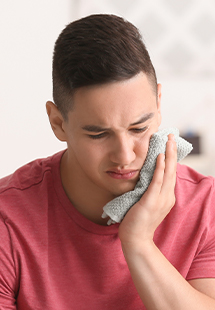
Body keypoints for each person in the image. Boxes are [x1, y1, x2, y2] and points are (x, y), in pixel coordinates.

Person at [0, 14, 215, 310]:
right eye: (98, 134)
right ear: (58, 123)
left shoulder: (206, 207)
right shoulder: (7, 219)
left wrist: (138, 243)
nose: (125, 156)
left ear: (159, 104)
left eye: (139, 129)